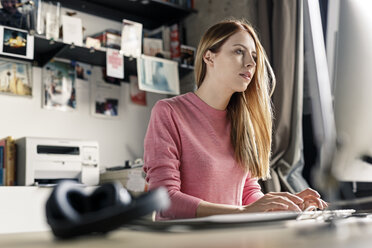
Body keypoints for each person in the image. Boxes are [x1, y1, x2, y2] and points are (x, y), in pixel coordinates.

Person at [143, 19, 327, 220]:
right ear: (209, 57)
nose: (250, 62)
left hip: (234, 236)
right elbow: (165, 201)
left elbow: (248, 192)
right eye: (239, 51)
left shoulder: (243, 122)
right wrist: (244, 211)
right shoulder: (168, 112)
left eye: (254, 56)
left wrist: (282, 204)